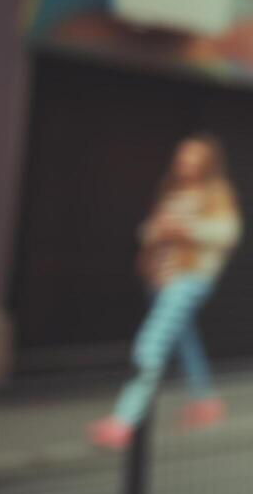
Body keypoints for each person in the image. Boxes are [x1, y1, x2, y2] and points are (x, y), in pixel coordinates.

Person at [89, 135, 241, 449]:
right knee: (185, 340)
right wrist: (155, 232)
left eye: (194, 158)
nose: (187, 164)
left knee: (152, 343)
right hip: (160, 277)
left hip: (190, 278)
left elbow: (227, 233)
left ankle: (126, 417)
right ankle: (205, 400)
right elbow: (148, 229)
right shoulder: (171, 191)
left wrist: (185, 231)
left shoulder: (216, 193)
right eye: (184, 157)